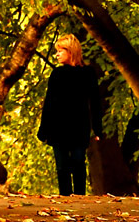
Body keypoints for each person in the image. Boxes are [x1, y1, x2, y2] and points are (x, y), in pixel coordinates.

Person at [38, 33, 100, 195]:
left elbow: (95, 101)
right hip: (58, 127)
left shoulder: (88, 73)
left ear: (71, 52)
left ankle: (80, 198)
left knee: (79, 162)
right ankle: (64, 198)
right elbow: (49, 103)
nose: (56, 54)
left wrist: (97, 128)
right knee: (62, 165)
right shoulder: (57, 74)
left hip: (80, 125)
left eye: (60, 51)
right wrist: (43, 130)